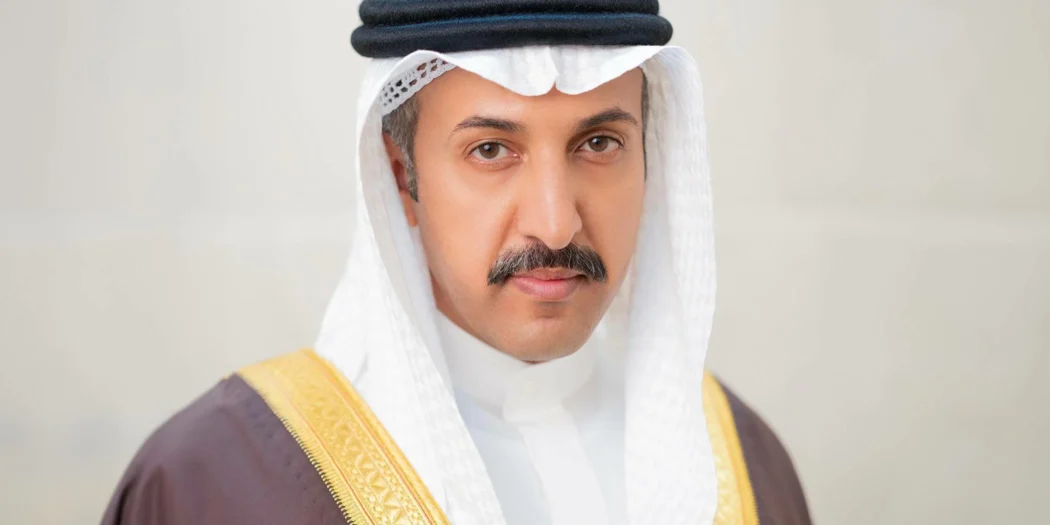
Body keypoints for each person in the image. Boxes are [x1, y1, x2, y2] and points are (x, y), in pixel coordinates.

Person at [102, 2, 811, 524]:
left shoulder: (743, 465)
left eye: (598, 144)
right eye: (491, 150)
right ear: (400, 177)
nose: (555, 222)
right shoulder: (214, 482)